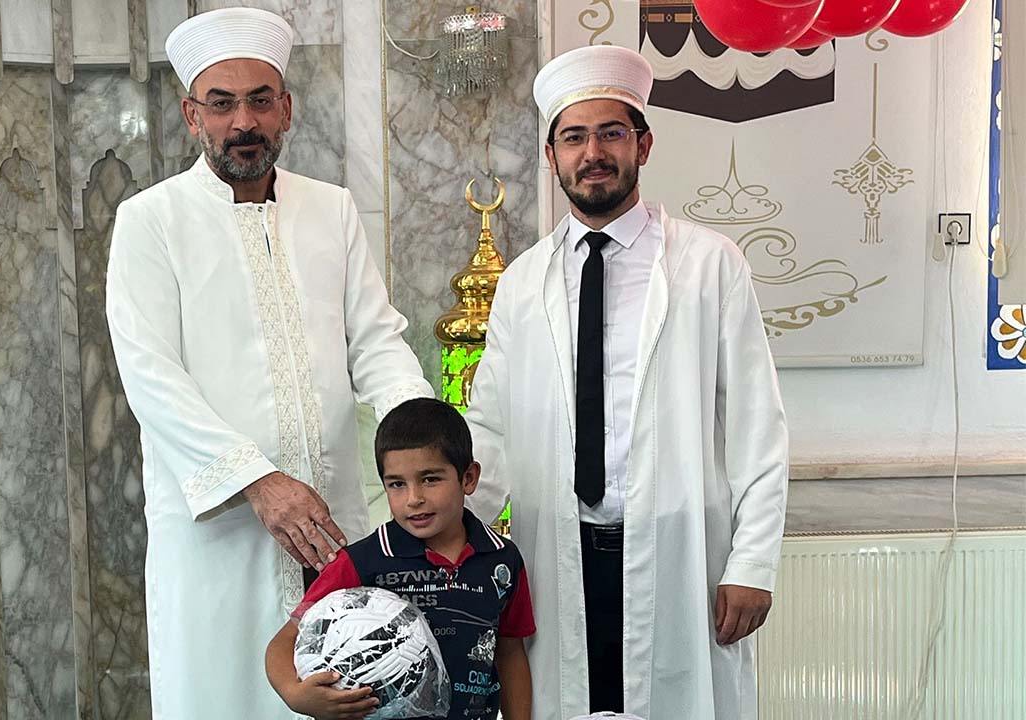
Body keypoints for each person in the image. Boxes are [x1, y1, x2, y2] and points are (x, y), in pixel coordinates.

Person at [106, 8, 433, 718]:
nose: (243, 122)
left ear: (285, 109)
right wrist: (257, 481)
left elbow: (377, 341)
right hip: (219, 534)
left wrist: (425, 446)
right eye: (222, 103)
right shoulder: (150, 220)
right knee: (222, 696)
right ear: (192, 115)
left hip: (333, 527)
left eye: (259, 100)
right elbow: (150, 375)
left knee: (347, 692)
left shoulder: (331, 210)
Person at [463, 45, 789, 720]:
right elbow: (490, 426)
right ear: (551, 155)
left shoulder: (709, 265)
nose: (593, 153)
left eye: (610, 133)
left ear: (642, 143)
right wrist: (451, 544)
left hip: (678, 556)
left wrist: (752, 563)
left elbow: (757, 424)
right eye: (574, 137)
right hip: (556, 553)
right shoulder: (522, 282)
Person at [265, 398, 535, 720]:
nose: (413, 498)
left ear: (468, 478)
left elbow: (510, 652)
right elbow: (284, 642)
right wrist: (296, 695)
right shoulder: (361, 562)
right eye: (396, 484)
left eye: (430, 479)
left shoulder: (502, 560)